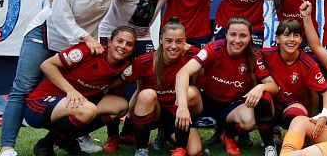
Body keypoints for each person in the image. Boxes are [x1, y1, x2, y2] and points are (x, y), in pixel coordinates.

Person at [1, 0, 124, 156]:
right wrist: (86, 38)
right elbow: (60, 16)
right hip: (45, 35)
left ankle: (75, 136)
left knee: (88, 89)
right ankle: (8, 147)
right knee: (22, 88)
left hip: (77, 42)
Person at [175, 18, 279, 156]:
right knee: (187, 94)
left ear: (249, 37)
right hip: (205, 99)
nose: (237, 40)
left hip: (231, 105)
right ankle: (180, 147)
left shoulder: (254, 55)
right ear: (226, 35)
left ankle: (228, 134)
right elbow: (183, 73)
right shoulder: (213, 48)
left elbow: (273, 86)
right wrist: (182, 106)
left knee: (249, 121)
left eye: (243, 36)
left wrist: (260, 88)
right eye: (233, 34)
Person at [24, 26, 136, 156]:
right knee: (88, 110)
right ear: (110, 42)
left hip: (74, 106)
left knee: (120, 105)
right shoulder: (88, 51)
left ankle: (65, 139)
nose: (123, 46)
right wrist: (70, 90)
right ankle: (44, 146)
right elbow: (46, 65)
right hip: (40, 105)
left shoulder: (125, 66)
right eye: (119, 41)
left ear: (133, 49)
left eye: (129, 44)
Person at [125, 20, 203, 156]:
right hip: (155, 111)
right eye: (169, 41)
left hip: (178, 112)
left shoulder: (192, 56)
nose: (173, 46)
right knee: (146, 94)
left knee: (195, 151)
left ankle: (167, 135)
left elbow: (205, 73)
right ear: (161, 39)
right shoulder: (145, 61)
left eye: (179, 41)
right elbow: (120, 80)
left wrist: (193, 50)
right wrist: (128, 120)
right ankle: (141, 149)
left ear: (185, 41)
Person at [260, 18, 327, 140]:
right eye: (287, 35)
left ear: (301, 40)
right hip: (271, 104)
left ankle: (293, 137)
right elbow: (250, 55)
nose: (291, 40)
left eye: (296, 36)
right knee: (261, 99)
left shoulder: (308, 64)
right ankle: (269, 141)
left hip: (293, 106)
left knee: (295, 114)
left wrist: (324, 114)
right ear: (277, 39)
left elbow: (326, 92)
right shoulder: (265, 55)